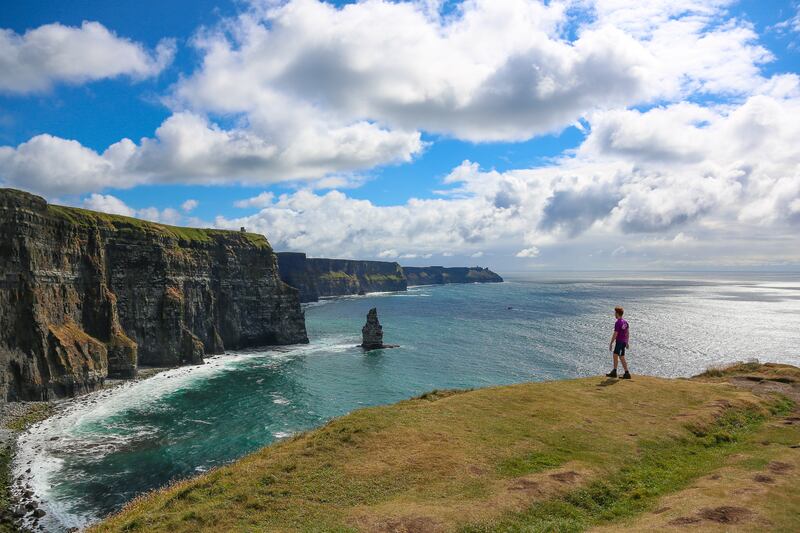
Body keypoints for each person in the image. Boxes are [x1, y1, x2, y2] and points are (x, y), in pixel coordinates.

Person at [606, 306, 631, 379]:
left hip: (619, 342)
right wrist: (626, 342)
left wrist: (611, 343)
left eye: (615, 313)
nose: (614, 314)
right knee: (617, 355)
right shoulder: (625, 322)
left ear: (617, 313)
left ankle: (625, 373)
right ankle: (617, 372)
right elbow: (627, 333)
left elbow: (615, 334)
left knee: (619, 356)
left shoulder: (618, 323)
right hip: (622, 342)